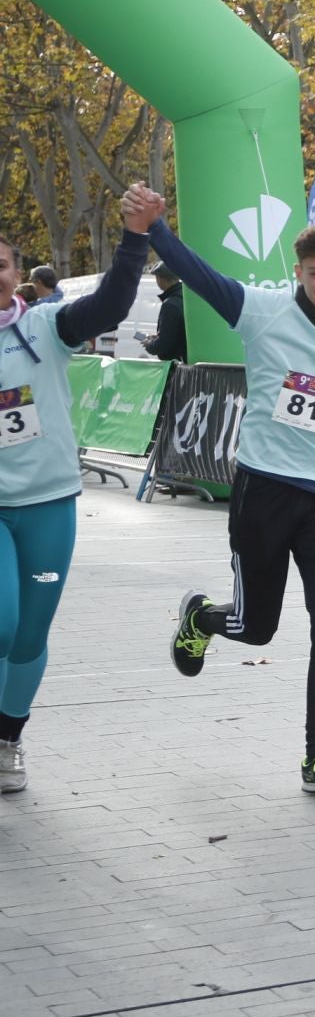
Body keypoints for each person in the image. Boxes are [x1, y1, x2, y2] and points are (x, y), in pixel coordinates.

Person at [131, 185, 315, 797]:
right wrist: (157, 229)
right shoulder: (264, 311)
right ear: (299, 272)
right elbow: (203, 278)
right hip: (261, 491)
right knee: (257, 626)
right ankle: (203, 617)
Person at [0, 193, 161, 792]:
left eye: (1, 265)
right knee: (3, 620)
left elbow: (114, 303)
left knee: (31, 633)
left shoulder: (45, 324)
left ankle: (8, 739)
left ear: (17, 274)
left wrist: (134, 236)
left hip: (47, 508)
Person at [142, 263, 187, 362]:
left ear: (160, 279)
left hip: (175, 367)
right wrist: (160, 336)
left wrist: (149, 344)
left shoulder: (170, 304)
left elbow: (162, 346)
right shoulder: (186, 298)